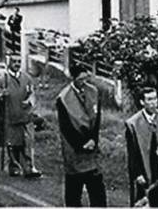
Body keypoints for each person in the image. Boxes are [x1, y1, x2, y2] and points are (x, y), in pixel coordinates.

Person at [56, 64, 106, 207]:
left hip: (92, 147)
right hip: (74, 147)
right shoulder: (64, 98)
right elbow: (65, 127)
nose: (84, 81)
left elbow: (97, 118)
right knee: (74, 190)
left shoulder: (93, 91)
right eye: (81, 79)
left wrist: (93, 140)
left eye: (86, 78)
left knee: (97, 189)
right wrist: (82, 144)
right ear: (73, 78)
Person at [0, 53, 41, 178]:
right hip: (10, 116)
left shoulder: (27, 78)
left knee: (28, 142)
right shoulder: (2, 80)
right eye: (14, 61)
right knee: (12, 143)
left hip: (25, 116)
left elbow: (32, 93)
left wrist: (30, 100)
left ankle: (30, 167)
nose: (16, 64)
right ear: (8, 62)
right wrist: (1, 95)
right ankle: (13, 167)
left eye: (19, 62)